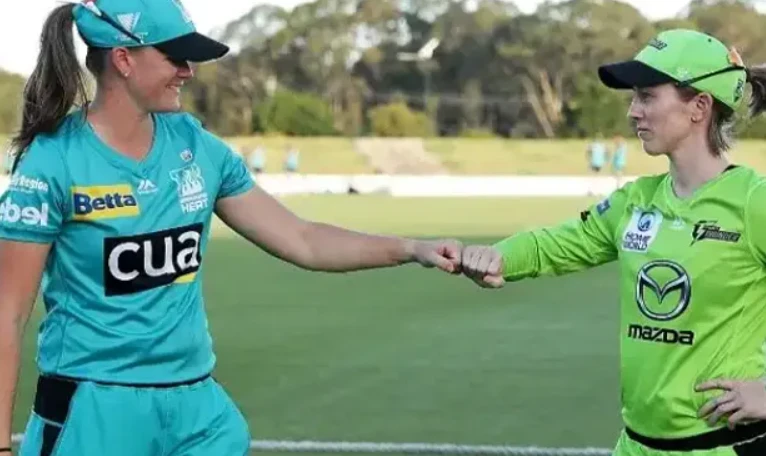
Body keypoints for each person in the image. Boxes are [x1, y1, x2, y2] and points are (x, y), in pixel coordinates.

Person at [0, 1, 462, 455]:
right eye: (174, 56)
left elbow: (304, 239)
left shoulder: (198, 147)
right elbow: (8, 313)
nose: (188, 70)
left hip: (196, 411)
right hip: (94, 411)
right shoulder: (52, 162)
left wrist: (412, 248)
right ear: (123, 59)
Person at [459, 29, 766, 455]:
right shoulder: (635, 200)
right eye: (634, 98)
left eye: (647, 97)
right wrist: (497, 257)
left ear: (699, 106)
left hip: (722, 448)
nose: (633, 112)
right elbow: (557, 244)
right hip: (634, 446)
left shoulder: (754, 202)